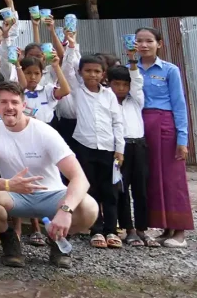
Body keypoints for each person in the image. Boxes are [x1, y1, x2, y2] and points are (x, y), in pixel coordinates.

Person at [0, 81, 99, 269]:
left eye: (15, 102)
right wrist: (8, 185)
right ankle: (9, 240)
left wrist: (66, 210)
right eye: (4, 102)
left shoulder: (45, 131)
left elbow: (79, 178)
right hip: (15, 195)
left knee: (89, 207)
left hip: (52, 195)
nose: (9, 107)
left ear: (24, 106)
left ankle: (58, 240)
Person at [134, 27, 193, 247]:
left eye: (149, 41)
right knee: (152, 178)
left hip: (165, 125)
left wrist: (182, 140)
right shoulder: (132, 70)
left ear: (159, 44)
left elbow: (179, 105)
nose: (144, 45)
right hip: (140, 126)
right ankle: (165, 228)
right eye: (139, 41)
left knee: (172, 178)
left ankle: (180, 232)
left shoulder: (169, 70)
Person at [66, 53, 125, 250]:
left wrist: (120, 149)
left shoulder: (109, 95)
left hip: (108, 148)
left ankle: (111, 230)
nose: (92, 75)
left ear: (103, 74)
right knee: (90, 189)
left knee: (110, 191)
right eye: (88, 71)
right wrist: (71, 44)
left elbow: (117, 122)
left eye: (97, 71)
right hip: (84, 146)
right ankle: (96, 230)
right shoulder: (78, 91)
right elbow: (67, 68)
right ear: (81, 73)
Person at [108, 61, 151, 247]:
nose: (121, 88)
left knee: (140, 188)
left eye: (125, 84)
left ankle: (142, 229)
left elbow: (137, 82)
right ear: (108, 84)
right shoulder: (106, 101)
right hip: (119, 148)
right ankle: (129, 229)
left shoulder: (136, 100)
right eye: (116, 84)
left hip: (139, 146)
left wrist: (133, 62)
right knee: (121, 189)